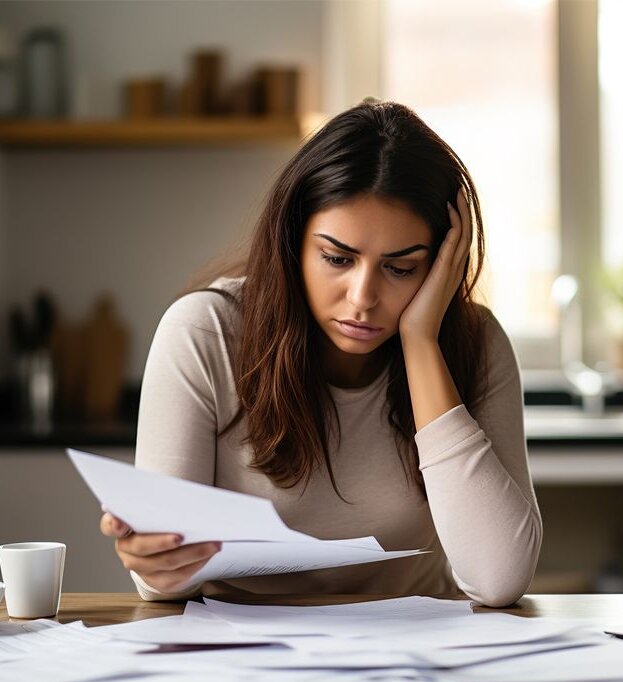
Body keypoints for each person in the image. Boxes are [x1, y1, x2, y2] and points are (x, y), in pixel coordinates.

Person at [99, 99, 542, 608]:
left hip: (416, 655)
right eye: (337, 258)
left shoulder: (475, 344)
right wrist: (155, 559)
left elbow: (499, 579)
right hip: (242, 653)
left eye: (401, 268)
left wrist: (421, 343)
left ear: (442, 261)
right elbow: (164, 585)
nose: (362, 297)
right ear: (293, 242)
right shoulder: (205, 333)